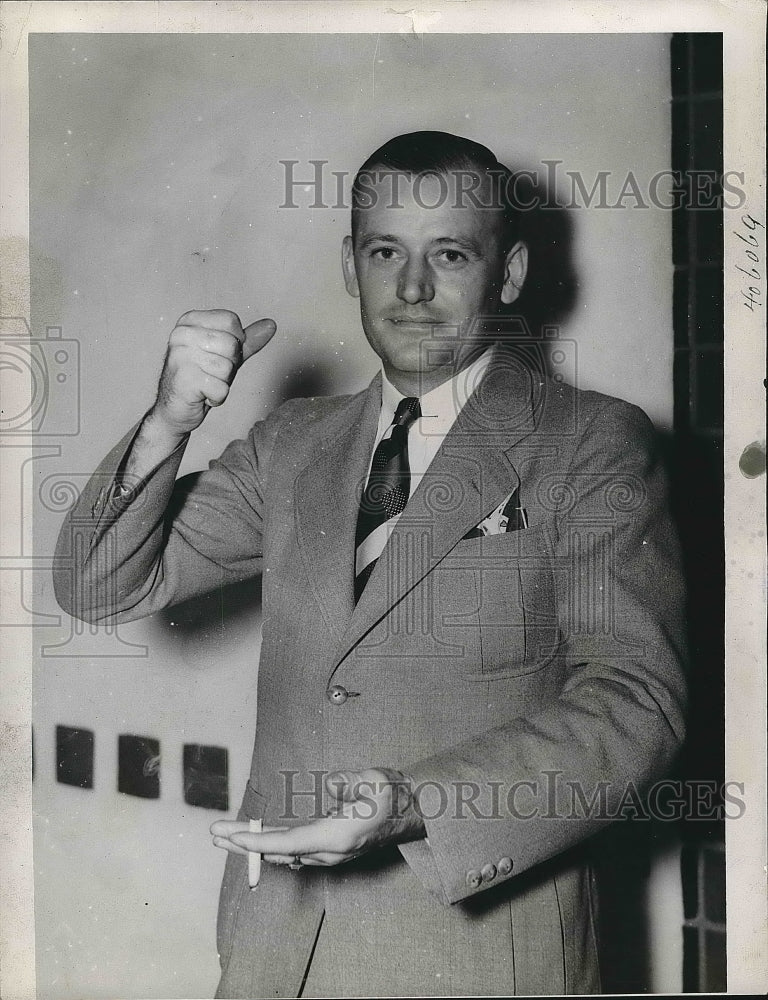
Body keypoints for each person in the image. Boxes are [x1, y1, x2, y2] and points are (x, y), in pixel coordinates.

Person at [54, 131, 687, 997]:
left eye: (451, 254)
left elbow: (637, 703)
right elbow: (97, 585)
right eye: (386, 251)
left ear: (507, 274)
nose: (414, 289)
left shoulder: (588, 443)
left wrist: (416, 802)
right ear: (352, 265)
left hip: (476, 956)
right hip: (277, 953)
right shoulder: (292, 444)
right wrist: (167, 423)